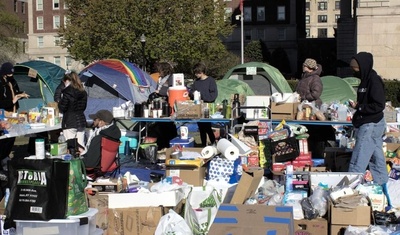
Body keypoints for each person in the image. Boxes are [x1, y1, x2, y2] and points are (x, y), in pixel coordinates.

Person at [348, 52, 392, 210]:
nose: (354, 71)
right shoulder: (364, 80)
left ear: (363, 66)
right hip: (369, 124)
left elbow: (378, 105)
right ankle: (383, 192)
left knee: (358, 160)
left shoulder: (373, 80)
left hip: (371, 125)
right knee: (376, 159)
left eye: (355, 68)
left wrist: (359, 107)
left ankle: (348, 195)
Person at [0, 62, 29, 170]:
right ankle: (2, 158)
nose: (11, 75)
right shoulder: (1, 82)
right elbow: (2, 101)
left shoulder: (11, 81)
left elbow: (15, 93)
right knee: (5, 137)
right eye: (9, 73)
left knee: (13, 135)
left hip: (13, 111)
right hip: (4, 113)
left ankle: (5, 156)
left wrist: (21, 94)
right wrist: (12, 101)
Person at [147, 62, 177, 149]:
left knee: (167, 126)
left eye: (159, 70)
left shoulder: (171, 78)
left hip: (168, 106)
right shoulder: (161, 79)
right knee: (160, 126)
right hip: (160, 105)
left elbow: (171, 91)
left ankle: (169, 145)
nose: (158, 72)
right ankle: (161, 146)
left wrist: (159, 92)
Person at [58, 70, 88, 149]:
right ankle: (84, 159)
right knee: (81, 145)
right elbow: (84, 107)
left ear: (67, 80)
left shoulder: (67, 92)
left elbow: (63, 107)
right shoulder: (83, 91)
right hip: (81, 119)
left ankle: (72, 160)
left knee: (70, 145)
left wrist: (60, 101)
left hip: (70, 121)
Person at [191, 62, 218, 146]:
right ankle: (203, 145)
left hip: (207, 107)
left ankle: (214, 143)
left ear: (201, 72)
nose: (195, 75)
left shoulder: (210, 81)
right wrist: (192, 94)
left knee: (207, 128)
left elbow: (213, 95)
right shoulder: (196, 82)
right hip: (198, 106)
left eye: (196, 73)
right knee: (201, 128)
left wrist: (202, 97)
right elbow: (192, 91)